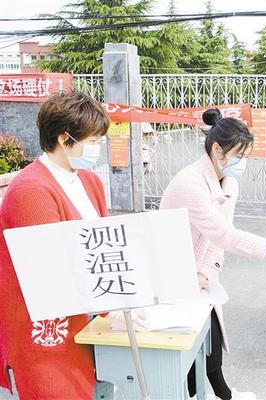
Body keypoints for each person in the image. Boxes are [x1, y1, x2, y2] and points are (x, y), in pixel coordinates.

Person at [159, 108, 266, 400]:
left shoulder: (228, 183)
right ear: (218, 150)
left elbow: (218, 238)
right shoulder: (190, 183)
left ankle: (219, 395)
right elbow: (225, 235)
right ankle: (212, 395)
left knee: (209, 341)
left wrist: (205, 272)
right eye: (239, 156)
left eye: (246, 156)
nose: (243, 163)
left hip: (196, 273)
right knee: (190, 346)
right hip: (171, 271)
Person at [0, 92, 110, 399]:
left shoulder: (88, 181)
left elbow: (103, 246)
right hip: (49, 329)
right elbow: (49, 270)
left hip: (89, 318)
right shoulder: (30, 191)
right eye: (93, 140)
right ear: (64, 138)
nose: (98, 148)